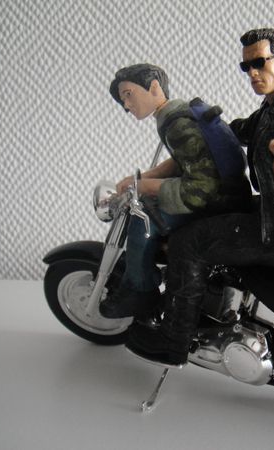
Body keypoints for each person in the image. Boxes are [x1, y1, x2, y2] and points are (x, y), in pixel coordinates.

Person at [125, 29, 274, 366]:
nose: (252, 73)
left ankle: (174, 340)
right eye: (246, 67)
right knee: (212, 218)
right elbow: (240, 131)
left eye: (259, 63)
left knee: (187, 243)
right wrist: (197, 126)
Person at [99, 63, 251, 322]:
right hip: (227, 193)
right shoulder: (178, 114)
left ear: (154, 87)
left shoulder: (177, 123)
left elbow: (202, 187)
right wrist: (142, 179)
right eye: (122, 100)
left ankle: (141, 290)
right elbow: (186, 159)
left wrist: (144, 187)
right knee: (147, 204)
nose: (126, 105)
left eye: (128, 94)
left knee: (142, 220)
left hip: (221, 201)